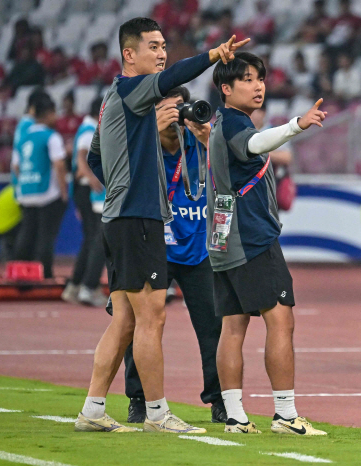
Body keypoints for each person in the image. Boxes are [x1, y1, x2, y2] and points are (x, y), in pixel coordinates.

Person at [78, 17, 248, 434]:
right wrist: (212, 55)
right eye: (152, 46)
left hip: (123, 217)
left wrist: (120, 185)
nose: (161, 53)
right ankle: (156, 414)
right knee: (152, 318)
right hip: (137, 219)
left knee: (125, 321)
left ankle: (93, 410)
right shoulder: (132, 89)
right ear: (128, 54)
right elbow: (173, 77)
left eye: (162, 46)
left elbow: (97, 155)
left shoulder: (112, 98)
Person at [208, 51, 327, 435]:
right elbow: (257, 144)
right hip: (251, 237)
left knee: (233, 325)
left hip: (223, 236)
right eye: (246, 79)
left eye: (259, 77)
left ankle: (235, 416)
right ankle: (286, 415)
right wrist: (297, 124)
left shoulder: (220, 123)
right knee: (280, 319)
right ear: (225, 89)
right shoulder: (234, 126)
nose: (257, 84)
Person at [122, 85, 226, 424]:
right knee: (141, 323)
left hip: (199, 248)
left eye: (180, 108)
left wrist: (213, 141)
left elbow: (240, 172)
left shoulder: (203, 142)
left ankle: (219, 401)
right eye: (165, 108)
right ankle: (140, 398)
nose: (174, 116)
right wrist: (146, 132)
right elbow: (117, 175)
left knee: (213, 327)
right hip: (154, 247)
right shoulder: (139, 145)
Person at [11, 97, 68, 278]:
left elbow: (16, 166)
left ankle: (20, 271)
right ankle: (45, 274)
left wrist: (25, 181)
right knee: (46, 236)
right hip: (47, 194)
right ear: (49, 114)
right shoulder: (51, 136)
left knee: (26, 234)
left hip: (26, 192)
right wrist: (64, 192)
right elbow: (59, 165)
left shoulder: (23, 137)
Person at [62, 97, 106, 307]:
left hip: (82, 187)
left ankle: (77, 285)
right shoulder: (90, 130)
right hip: (87, 187)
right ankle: (87, 285)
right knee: (97, 238)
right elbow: (81, 158)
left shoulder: (85, 128)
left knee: (91, 238)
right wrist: (91, 177)